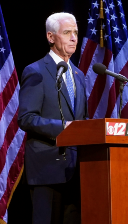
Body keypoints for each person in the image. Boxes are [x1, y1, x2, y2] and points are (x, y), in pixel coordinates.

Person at [18, 12, 88, 224]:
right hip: (47, 169)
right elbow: (26, 118)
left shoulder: (79, 75)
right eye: (67, 33)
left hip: (76, 172)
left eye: (75, 32)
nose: (73, 38)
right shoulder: (36, 71)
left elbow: (82, 120)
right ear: (51, 37)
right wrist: (63, 128)